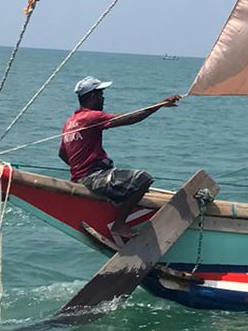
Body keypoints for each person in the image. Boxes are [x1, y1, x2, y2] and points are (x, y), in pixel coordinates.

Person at [59, 76, 180, 233]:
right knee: (143, 179)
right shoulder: (91, 117)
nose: (103, 99)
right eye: (101, 94)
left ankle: (118, 202)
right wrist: (159, 105)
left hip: (82, 177)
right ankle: (120, 224)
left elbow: (62, 154)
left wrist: (79, 168)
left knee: (130, 184)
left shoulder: (70, 122)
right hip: (92, 178)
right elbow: (129, 118)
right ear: (92, 96)